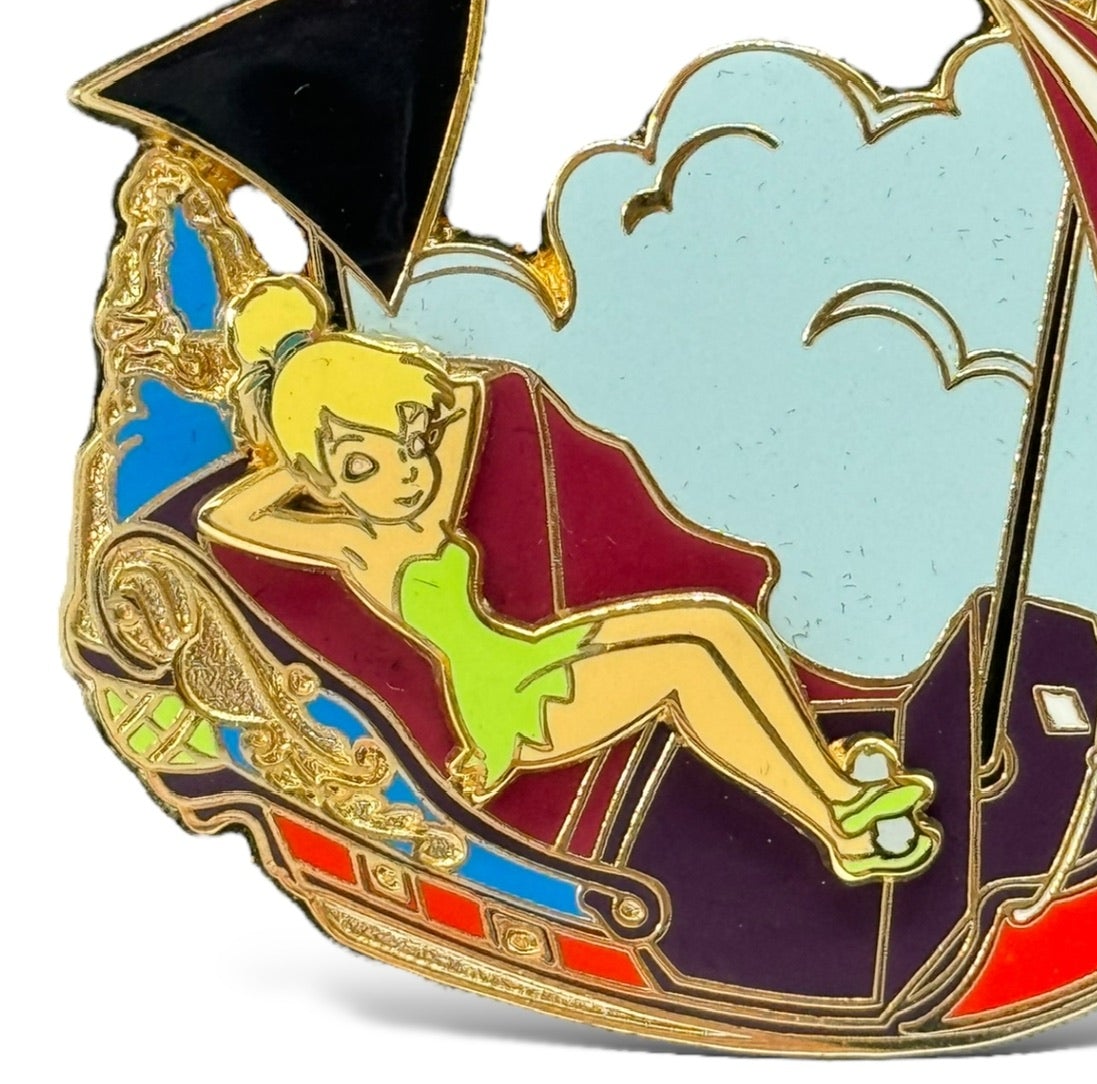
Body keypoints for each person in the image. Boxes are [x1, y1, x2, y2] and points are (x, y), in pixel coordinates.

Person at [198, 275, 939, 883]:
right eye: (364, 465)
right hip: (508, 706)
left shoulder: (428, 502)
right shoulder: (355, 542)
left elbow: (465, 396)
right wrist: (297, 453)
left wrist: (356, 395)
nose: (402, 476)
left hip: (534, 652)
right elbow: (226, 516)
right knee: (687, 667)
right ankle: (841, 822)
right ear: (325, 480)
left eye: (410, 443)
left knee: (716, 620)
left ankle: (832, 781)